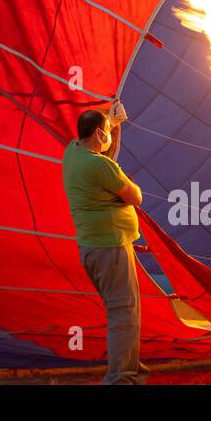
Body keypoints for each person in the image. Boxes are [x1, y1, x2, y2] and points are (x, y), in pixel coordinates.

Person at [62, 100, 147, 384]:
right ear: (98, 133)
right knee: (123, 312)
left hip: (92, 248)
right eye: (106, 131)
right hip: (110, 248)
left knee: (124, 309)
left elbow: (104, 152)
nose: (108, 135)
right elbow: (135, 197)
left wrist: (115, 125)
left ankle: (128, 361)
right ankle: (120, 377)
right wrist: (131, 187)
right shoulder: (101, 167)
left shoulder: (72, 151)